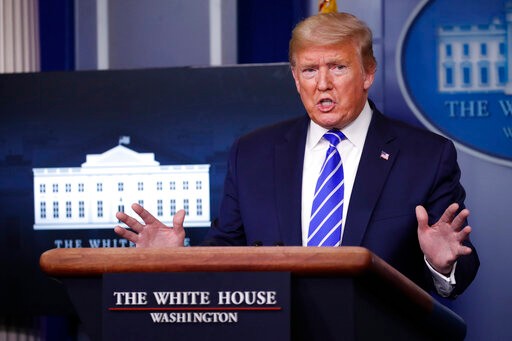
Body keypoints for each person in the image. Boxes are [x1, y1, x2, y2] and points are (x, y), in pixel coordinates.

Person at [114, 12, 479, 298]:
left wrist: (439, 263)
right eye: (309, 70)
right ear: (295, 77)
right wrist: (178, 261)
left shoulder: (426, 157)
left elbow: (458, 270)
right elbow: (226, 251)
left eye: (338, 67)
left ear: (368, 72)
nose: (322, 83)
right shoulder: (253, 154)